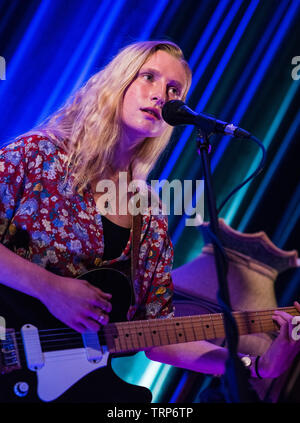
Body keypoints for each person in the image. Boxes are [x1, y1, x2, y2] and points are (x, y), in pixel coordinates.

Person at [0, 40, 299, 402]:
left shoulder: (150, 215)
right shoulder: (37, 155)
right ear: (118, 84)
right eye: (149, 77)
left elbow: (158, 336)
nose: (162, 96)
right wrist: (50, 288)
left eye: (174, 90)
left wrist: (255, 365)